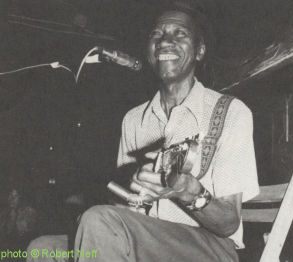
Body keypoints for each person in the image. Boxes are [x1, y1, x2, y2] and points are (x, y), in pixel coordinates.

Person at [27, 2, 259, 262]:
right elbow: (128, 207)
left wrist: (187, 191)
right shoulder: (134, 120)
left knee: (99, 222)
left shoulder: (230, 112)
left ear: (199, 51)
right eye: (157, 34)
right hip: (150, 239)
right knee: (43, 248)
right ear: (148, 51)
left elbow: (228, 223)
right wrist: (115, 204)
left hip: (211, 247)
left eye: (180, 33)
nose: (165, 41)